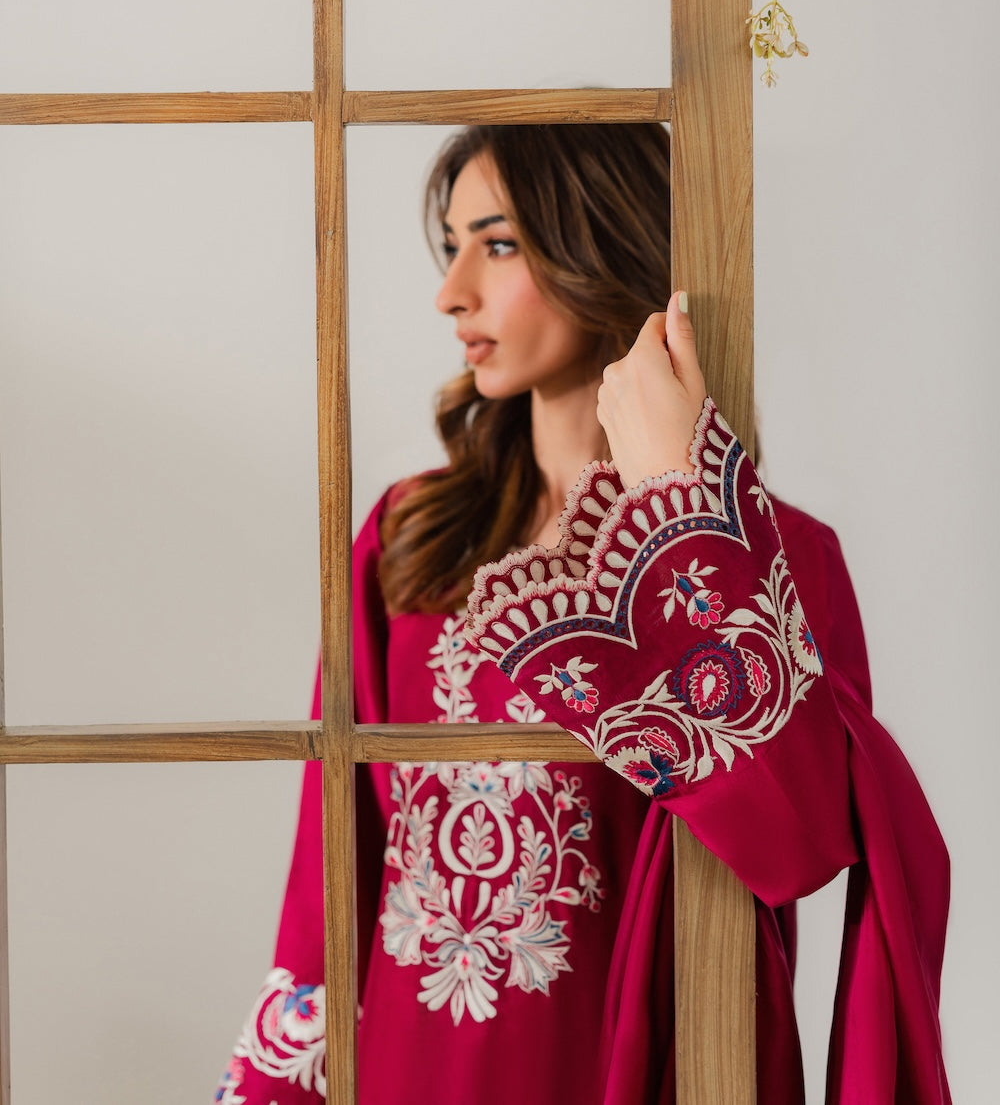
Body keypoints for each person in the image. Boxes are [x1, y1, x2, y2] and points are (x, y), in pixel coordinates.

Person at [216, 124, 950, 1105]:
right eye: (452, 246)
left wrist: (683, 513)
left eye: (498, 243)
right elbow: (329, 873)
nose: (451, 292)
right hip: (408, 1066)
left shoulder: (773, 558)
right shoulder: (406, 543)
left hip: (648, 1070)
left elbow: (800, 845)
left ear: (601, 244)